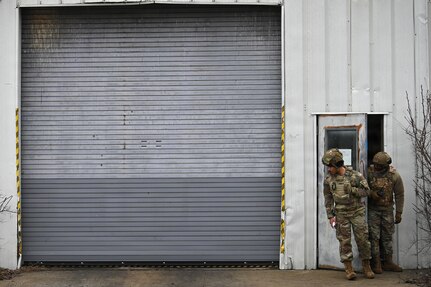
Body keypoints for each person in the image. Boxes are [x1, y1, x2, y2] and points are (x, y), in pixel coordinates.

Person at [321, 148, 375, 280]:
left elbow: (367, 191)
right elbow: (328, 199)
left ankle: (366, 266)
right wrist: (330, 216)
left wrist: (353, 190)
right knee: (344, 242)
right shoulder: (328, 180)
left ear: (337, 164)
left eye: (330, 166)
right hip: (341, 214)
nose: (329, 169)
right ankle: (349, 269)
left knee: (363, 240)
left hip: (357, 212)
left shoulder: (355, 176)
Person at [367, 152, 404, 273]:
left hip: (387, 210)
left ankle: (388, 262)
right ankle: (376, 263)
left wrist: (399, 212)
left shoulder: (394, 176)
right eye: (375, 165)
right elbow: (362, 188)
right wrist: (372, 194)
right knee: (374, 237)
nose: (376, 167)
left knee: (387, 237)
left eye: (379, 166)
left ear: (385, 166)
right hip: (373, 210)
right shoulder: (369, 173)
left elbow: (399, 194)